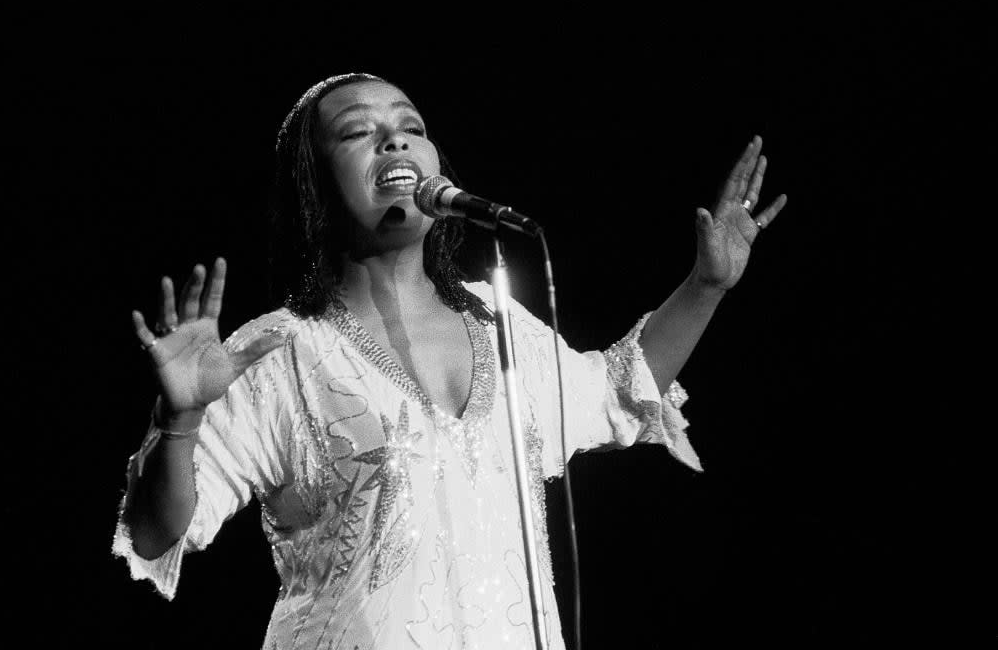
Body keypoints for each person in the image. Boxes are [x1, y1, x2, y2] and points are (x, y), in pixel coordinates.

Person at [114, 72, 787, 649]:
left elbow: (616, 393)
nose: (394, 139)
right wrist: (179, 421)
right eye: (357, 131)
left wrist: (705, 287)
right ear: (313, 185)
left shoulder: (497, 324)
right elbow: (156, 533)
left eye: (411, 125)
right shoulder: (278, 350)